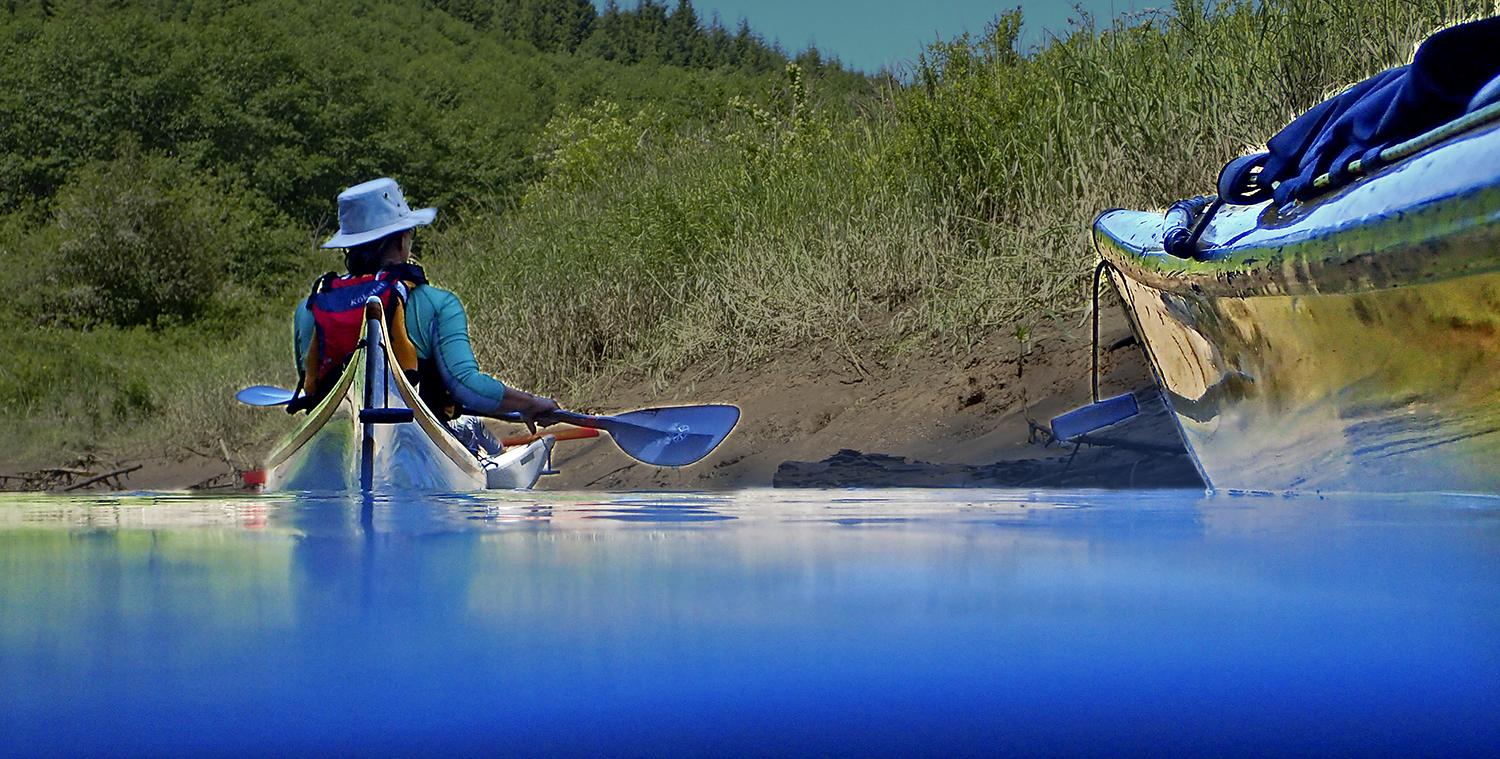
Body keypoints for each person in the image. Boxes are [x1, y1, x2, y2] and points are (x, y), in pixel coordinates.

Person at [290, 177, 557, 454]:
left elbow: (314, 390)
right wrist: (531, 404)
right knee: (470, 428)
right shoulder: (438, 303)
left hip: (336, 448)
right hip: (413, 447)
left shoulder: (309, 310)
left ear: (348, 247)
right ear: (401, 239)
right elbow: (467, 388)